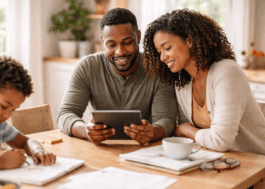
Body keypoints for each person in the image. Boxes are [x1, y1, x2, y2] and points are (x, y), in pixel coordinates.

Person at [143, 9, 265, 155]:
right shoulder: (183, 82)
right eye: (159, 51)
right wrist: (185, 131)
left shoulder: (227, 72)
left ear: (190, 41)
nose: (162, 58)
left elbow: (219, 140)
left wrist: (187, 130)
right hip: (215, 160)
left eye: (167, 48)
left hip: (254, 163)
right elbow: (185, 135)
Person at [57, 8, 177, 144]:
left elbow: (167, 120)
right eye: (111, 45)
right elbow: (65, 114)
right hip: (101, 150)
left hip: (144, 151)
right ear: (103, 41)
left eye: (127, 42)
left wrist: (152, 132)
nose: (120, 52)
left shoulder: (158, 68)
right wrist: (86, 130)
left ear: (138, 37)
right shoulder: (87, 67)